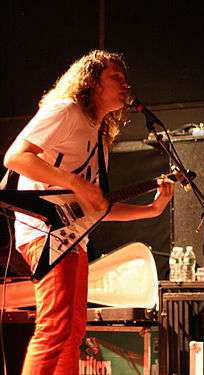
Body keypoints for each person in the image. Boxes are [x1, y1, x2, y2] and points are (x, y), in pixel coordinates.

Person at [4, 49, 174, 375]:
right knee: (55, 328)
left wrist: (151, 210)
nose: (126, 84)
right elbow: (16, 157)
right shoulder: (66, 111)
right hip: (45, 230)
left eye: (126, 78)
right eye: (116, 77)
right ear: (93, 82)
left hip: (73, 237)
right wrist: (76, 184)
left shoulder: (98, 133)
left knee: (73, 331)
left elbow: (95, 208)